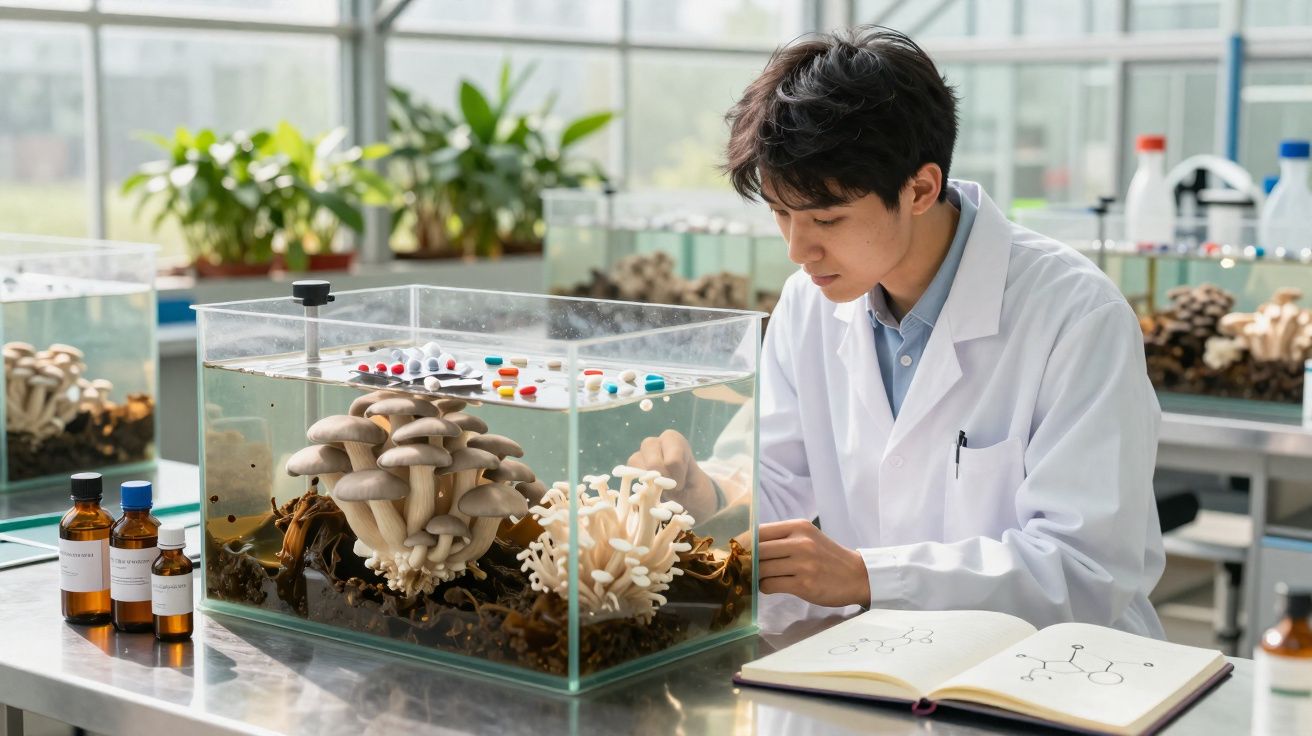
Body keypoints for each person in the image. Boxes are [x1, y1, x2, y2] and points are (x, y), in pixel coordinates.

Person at [633, 26, 1165, 638]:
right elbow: (781, 480)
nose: (797, 249)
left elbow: (1084, 566)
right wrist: (701, 493)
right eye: (782, 215)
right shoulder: (810, 303)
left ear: (920, 189)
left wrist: (868, 577)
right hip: (883, 661)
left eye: (826, 218)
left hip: (1050, 675)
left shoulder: (1075, 315)